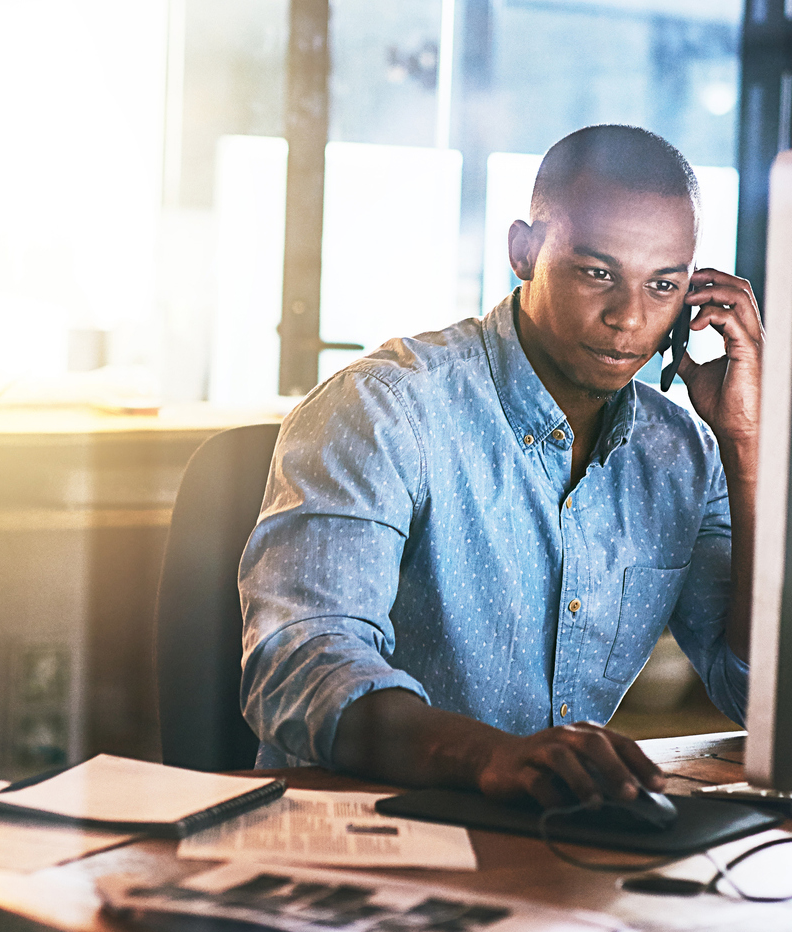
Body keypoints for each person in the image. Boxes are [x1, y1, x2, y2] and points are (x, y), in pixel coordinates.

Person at [237, 124, 765, 809]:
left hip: (550, 843)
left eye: (662, 285)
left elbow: (755, 694)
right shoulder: (387, 408)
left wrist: (745, 446)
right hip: (361, 832)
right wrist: (496, 758)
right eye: (596, 273)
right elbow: (300, 666)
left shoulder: (681, 453)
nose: (627, 318)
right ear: (523, 251)